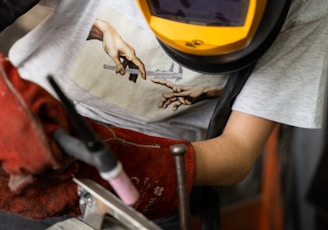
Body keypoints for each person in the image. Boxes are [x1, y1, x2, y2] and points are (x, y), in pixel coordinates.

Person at [1, 0, 328, 229]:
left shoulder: (307, 8)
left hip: (152, 183)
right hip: (24, 137)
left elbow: (238, 153)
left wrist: (138, 162)